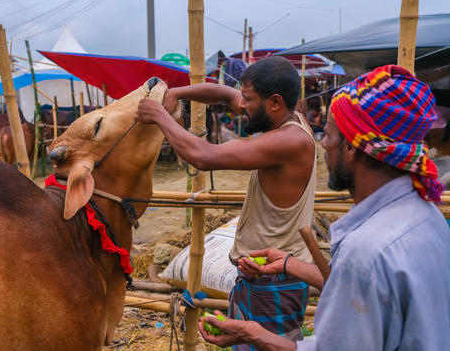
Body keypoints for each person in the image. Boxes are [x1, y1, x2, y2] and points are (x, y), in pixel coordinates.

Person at [198, 65, 450, 350]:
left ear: (352, 148)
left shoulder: (366, 250)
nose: (323, 146)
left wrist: (253, 334)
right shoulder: (429, 216)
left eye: (328, 136)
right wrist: (288, 264)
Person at [136, 56, 317, 344]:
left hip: (275, 283)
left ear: (274, 102)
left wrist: (159, 116)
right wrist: (176, 93)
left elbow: (205, 156)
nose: (240, 104)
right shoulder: (279, 119)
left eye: (248, 99)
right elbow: (224, 93)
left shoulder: (290, 141)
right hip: (259, 275)